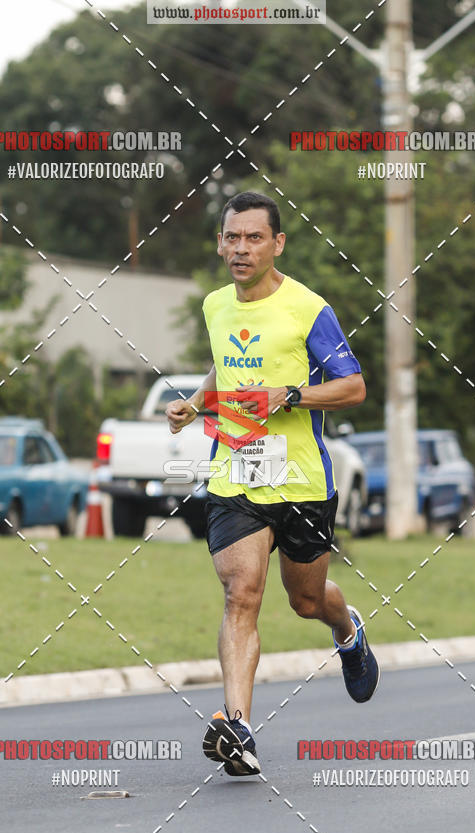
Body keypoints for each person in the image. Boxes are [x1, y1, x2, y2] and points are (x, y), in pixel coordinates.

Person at [165, 191, 379, 777]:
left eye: (254, 238)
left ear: (277, 244)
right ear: (219, 244)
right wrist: (196, 403)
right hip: (235, 472)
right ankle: (237, 729)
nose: (241, 248)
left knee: (306, 600)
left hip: (301, 479)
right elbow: (226, 364)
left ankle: (347, 629)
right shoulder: (215, 306)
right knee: (241, 594)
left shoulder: (308, 309)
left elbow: (353, 387)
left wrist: (289, 395)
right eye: (232, 237)